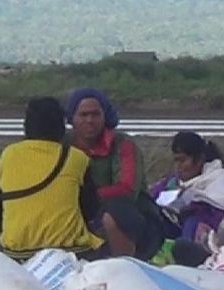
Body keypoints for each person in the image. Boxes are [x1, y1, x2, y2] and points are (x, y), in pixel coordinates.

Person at [0, 96, 106, 260]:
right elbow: (90, 209)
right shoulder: (76, 157)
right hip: (71, 251)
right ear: (61, 126)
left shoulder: (8, 154)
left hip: (18, 252)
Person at [65, 87, 165, 260]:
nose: (90, 120)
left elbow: (127, 189)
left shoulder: (123, 144)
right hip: (80, 214)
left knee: (113, 214)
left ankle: (125, 266)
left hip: (134, 216)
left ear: (105, 116)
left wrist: (85, 196)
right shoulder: (63, 144)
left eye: (95, 114)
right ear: (72, 118)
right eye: (83, 115)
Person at [149, 131, 224, 245]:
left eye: (182, 160)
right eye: (176, 160)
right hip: (176, 232)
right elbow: (152, 198)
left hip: (207, 237)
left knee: (192, 222)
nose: (178, 166)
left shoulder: (222, 179)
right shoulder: (173, 181)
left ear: (199, 160)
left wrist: (193, 207)